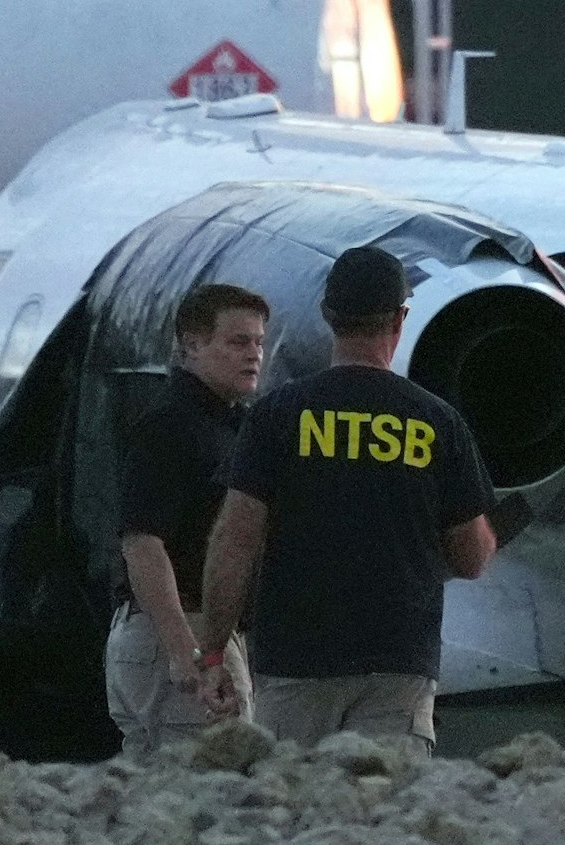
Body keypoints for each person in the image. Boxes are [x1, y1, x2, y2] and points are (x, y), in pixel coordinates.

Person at [197, 246, 498, 754]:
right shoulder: (436, 421)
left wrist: (212, 657)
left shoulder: (279, 414)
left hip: (296, 661)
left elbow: (235, 540)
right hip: (398, 662)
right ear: (400, 318)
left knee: (294, 812)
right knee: (386, 816)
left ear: (327, 315)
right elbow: (471, 559)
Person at [106, 283, 268, 758]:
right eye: (238, 342)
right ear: (192, 346)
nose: (254, 355)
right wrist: (187, 651)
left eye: (259, 342)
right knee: (217, 797)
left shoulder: (224, 427)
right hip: (182, 631)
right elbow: (142, 543)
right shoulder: (173, 425)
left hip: (170, 637)